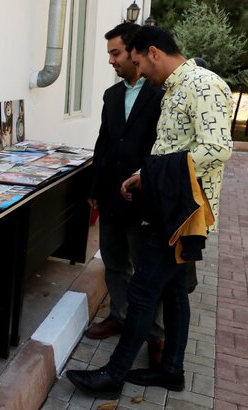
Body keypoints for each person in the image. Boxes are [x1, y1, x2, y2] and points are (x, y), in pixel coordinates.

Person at [66, 26, 233, 398]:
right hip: (165, 203)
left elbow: (218, 148)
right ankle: (171, 371)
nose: (140, 70)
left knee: (142, 291)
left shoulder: (202, 85)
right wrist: (144, 175)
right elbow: (170, 146)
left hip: (182, 209)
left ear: (153, 53)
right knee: (174, 294)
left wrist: (153, 172)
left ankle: (112, 376)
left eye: (138, 61)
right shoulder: (175, 87)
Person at [85, 23, 166, 367]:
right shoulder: (111, 95)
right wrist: (94, 188)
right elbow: (105, 142)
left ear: (136, 53)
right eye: (109, 54)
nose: (111, 61)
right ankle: (119, 315)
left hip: (144, 198)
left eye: (115, 53)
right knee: (114, 261)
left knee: (147, 271)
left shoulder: (162, 93)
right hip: (110, 195)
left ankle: (155, 336)